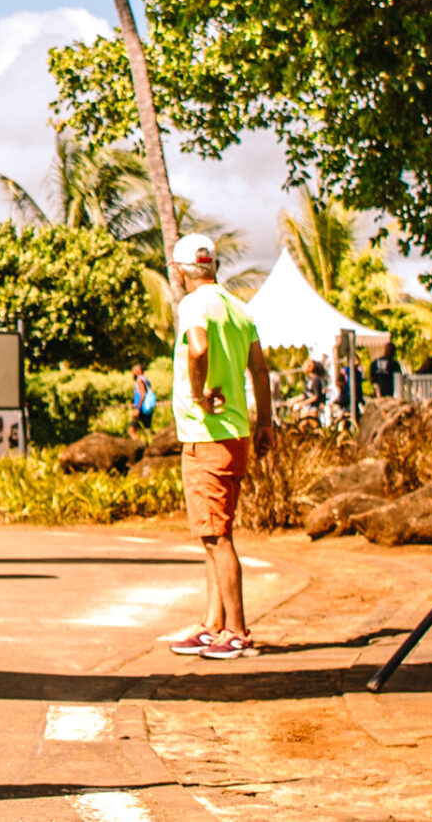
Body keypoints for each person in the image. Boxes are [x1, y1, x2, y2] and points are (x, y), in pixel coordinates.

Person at [161, 234, 274, 661]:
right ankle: (213, 624)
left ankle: (237, 631)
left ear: (180, 271)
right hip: (235, 433)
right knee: (213, 534)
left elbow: (199, 348)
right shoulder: (238, 307)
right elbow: (259, 369)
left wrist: (199, 394)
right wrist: (265, 423)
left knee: (217, 537)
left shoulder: (194, 305)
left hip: (206, 435)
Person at [129, 365, 158, 439]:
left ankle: (138, 443)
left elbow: (143, 394)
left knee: (131, 431)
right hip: (146, 408)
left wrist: (137, 408)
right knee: (147, 429)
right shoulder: (145, 379)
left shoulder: (140, 380)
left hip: (141, 408)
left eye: (134, 370)